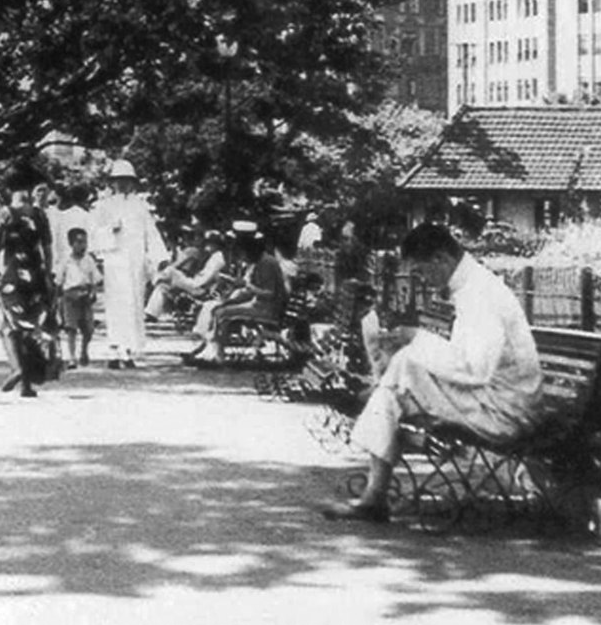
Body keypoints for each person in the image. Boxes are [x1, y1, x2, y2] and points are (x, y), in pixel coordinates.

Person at [325, 222, 543, 523]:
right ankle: (374, 490)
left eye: (421, 271)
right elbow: (470, 363)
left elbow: (473, 369)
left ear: (441, 259)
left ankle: (374, 494)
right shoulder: (474, 286)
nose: (424, 281)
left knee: (401, 374)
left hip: (505, 411)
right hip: (496, 399)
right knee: (402, 375)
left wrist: (416, 338)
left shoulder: (480, 295)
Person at [90, 159, 166, 370]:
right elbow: (93, 234)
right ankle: (114, 349)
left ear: (132, 183)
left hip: (135, 262)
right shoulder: (104, 206)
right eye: (118, 180)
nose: (122, 184)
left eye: (126, 180)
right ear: (112, 182)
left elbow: (151, 233)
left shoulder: (140, 206)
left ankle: (128, 350)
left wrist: (159, 258)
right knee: (115, 306)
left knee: (133, 305)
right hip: (114, 262)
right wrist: (108, 231)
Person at [186, 223, 287, 366]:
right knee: (219, 309)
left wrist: (247, 286)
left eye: (243, 252)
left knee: (223, 314)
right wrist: (230, 300)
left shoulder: (267, 263)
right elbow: (248, 291)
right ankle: (211, 350)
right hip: (259, 304)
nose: (242, 256)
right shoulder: (259, 262)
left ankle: (217, 354)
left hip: (268, 308)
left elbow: (269, 293)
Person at [0, 194, 56, 398]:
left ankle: (17, 368)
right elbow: (47, 248)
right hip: (36, 274)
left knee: (9, 326)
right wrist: (48, 274)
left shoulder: (5, 213)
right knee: (32, 325)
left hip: (14, 274)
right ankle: (27, 384)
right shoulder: (40, 214)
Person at [144, 224, 224, 321]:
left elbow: (205, 279)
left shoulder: (217, 257)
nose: (207, 246)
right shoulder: (212, 256)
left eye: (211, 243)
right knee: (163, 287)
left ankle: (155, 280)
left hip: (198, 286)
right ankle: (151, 313)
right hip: (196, 284)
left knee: (171, 271)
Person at [55, 226, 102, 368]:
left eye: (85, 242)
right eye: (79, 242)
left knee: (88, 329)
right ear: (71, 244)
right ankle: (72, 357)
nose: (83, 246)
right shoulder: (66, 261)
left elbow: (95, 279)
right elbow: (58, 280)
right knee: (71, 328)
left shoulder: (89, 260)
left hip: (85, 295)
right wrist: (58, 300)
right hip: (70, 296)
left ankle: (84, 351)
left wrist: (93, 292)